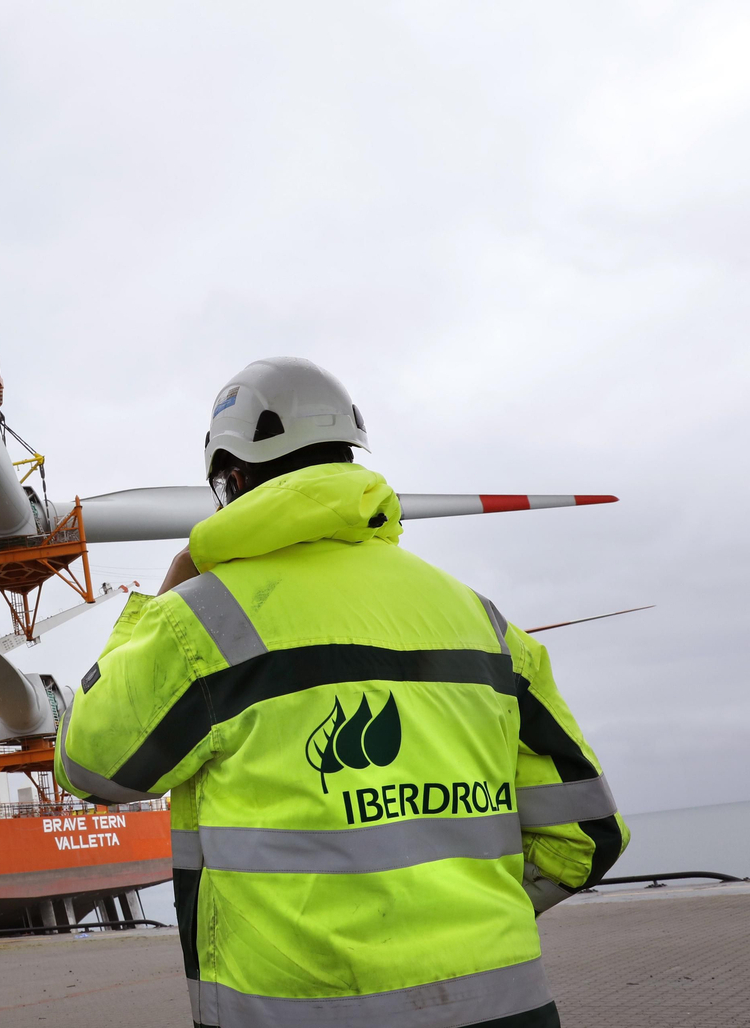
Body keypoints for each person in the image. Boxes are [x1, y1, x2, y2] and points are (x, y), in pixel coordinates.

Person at [55, 357, 626, 1028]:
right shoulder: (486, 624)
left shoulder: (199, 623)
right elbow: (587, 836)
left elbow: (90, 764)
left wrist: (156, 608)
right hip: (507, 1011)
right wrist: (469, 921)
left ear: (232, 480)